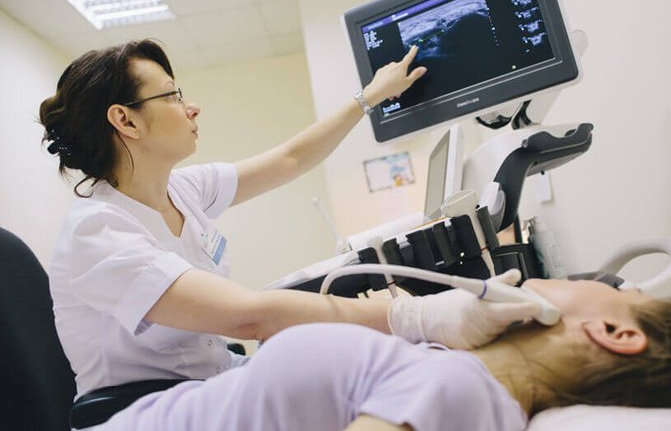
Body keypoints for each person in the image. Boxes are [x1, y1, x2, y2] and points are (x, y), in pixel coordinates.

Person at [39, 39, 543, 414]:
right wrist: (418, 315)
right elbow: (248, 318)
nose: (191, 107)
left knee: (363, 360)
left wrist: (369, 98)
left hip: (211, 384)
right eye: (172, 96)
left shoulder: (184, 189)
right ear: (126, 121)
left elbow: (291, 159)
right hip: (146, 410)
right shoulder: (98, 233)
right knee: (350, 367)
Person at [89, 278, 671, 430]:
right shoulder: (460, 372)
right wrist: (415, 319)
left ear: (613, 332)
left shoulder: (459, 393)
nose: (579, 277)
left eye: (614, 290)